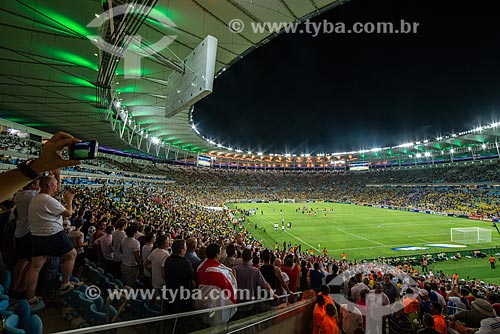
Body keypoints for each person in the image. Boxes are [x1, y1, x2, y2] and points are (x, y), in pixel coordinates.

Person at [25, 174, 77, 309]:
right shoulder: (47, 199)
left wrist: (56, 174)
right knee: (71, 254)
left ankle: (31, 299)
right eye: (55, 184)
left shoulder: (37, 197)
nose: (57, 187)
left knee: (35, 267)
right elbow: (68, 213)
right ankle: (65, 285)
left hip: (37, 235)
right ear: (49, 186)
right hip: (51, 234)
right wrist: (69, 200)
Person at [0, 132, 81, 202]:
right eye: (36, 183)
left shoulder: (20, 196)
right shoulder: (34, 196)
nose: (39, 186)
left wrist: (37, 166)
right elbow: (67, 212)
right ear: (31, 186)